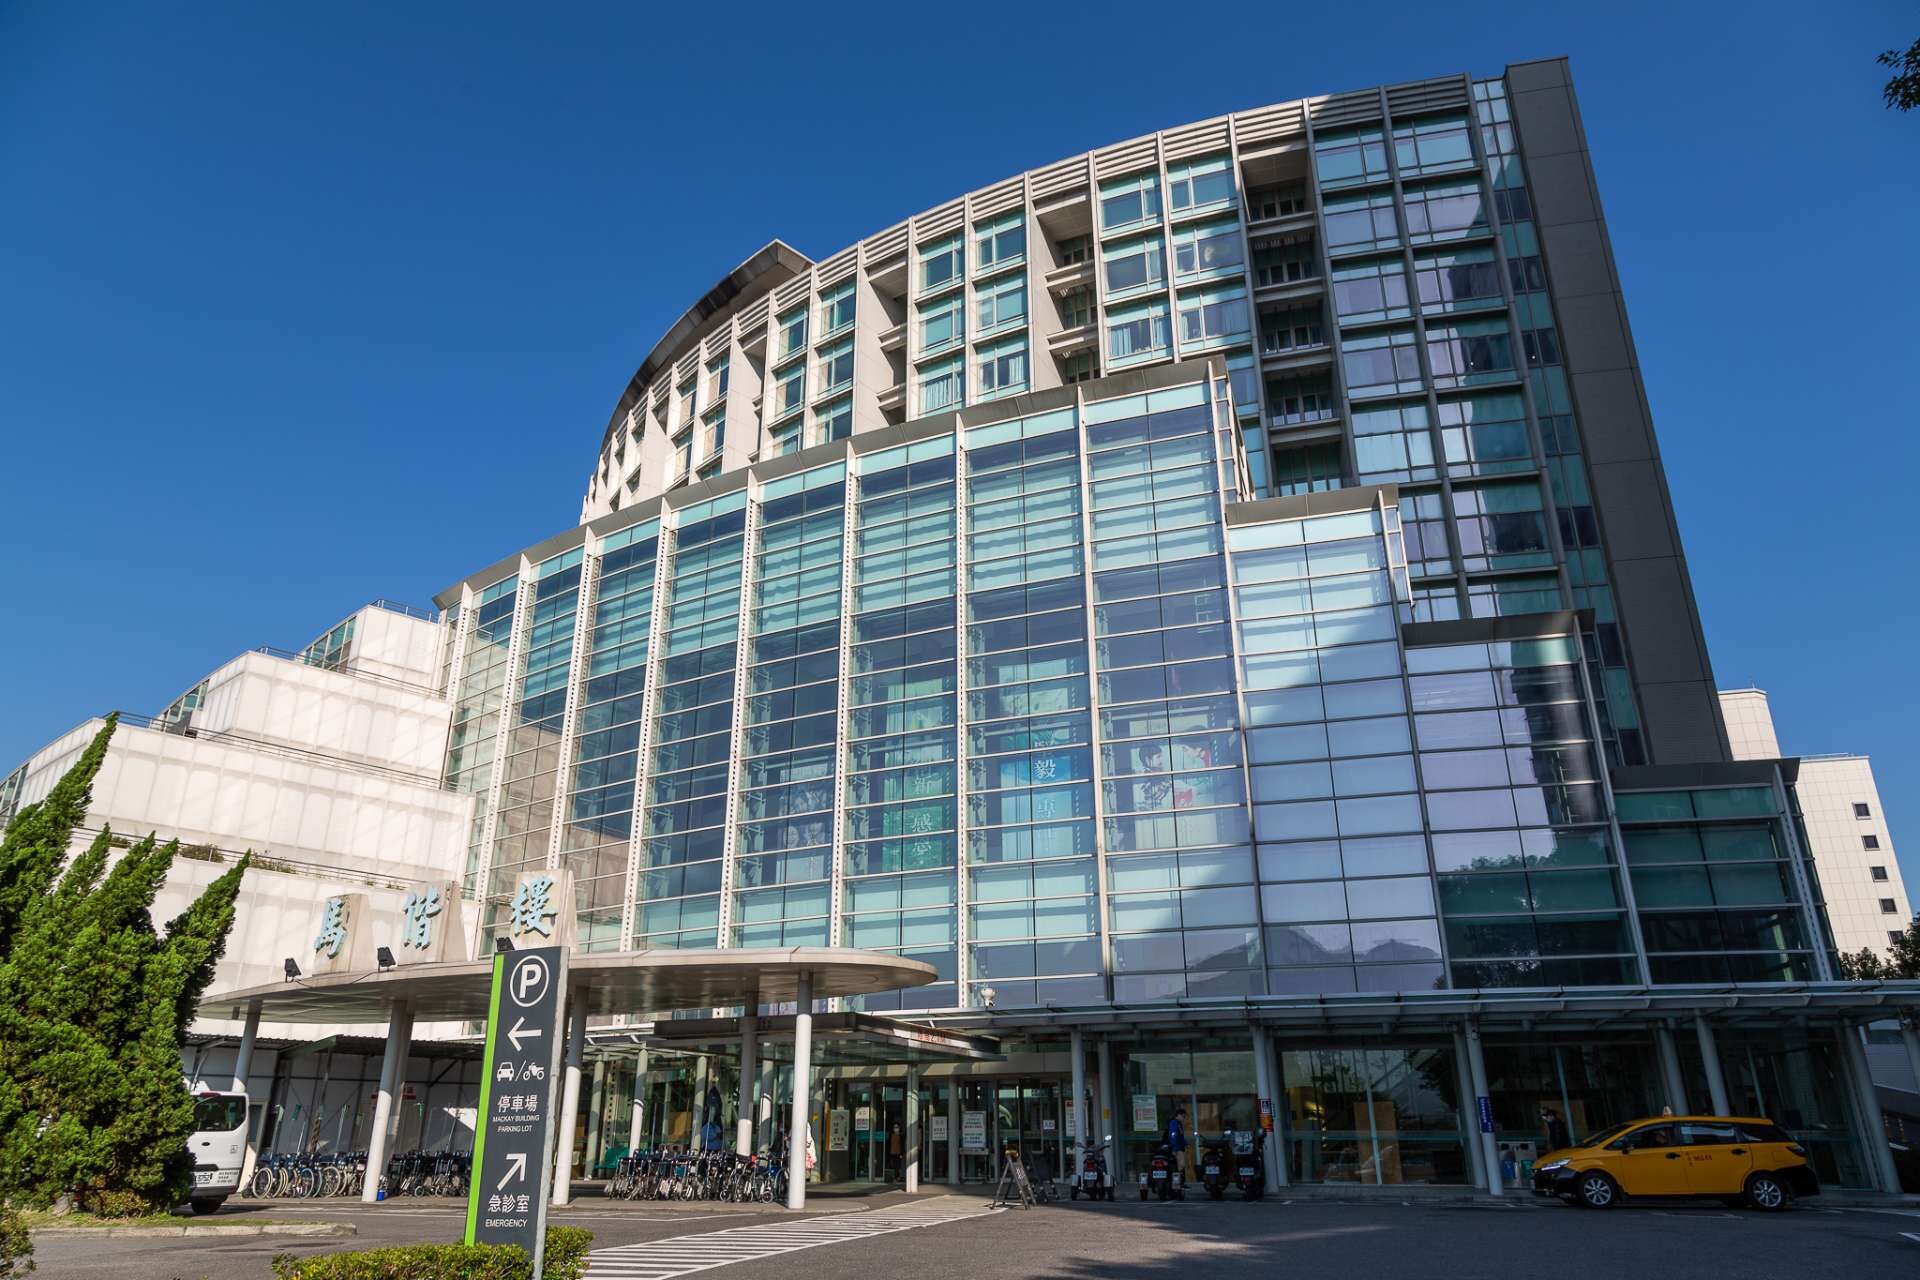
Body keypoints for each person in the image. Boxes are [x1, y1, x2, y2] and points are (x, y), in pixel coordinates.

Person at [1165, 1106, 1187, 1177]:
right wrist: (1174, 1148)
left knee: (1181, 1165)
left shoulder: (1178, 1123)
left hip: (1179, 1147)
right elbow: (1173, 1135)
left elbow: (1180, 1136)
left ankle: (1180, 1180)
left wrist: (1185, 1143)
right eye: (1183, 1116)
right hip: (1177, 1148)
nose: (1184, 1118)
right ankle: (1180, 1180)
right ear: (1179, 1115)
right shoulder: (1174, 1123)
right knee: (1181, 1165)